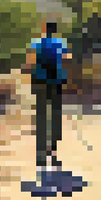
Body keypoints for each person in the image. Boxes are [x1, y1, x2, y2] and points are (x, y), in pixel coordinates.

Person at [25, 20, 71, 179]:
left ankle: (40, 154)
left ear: (44, 29)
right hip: (56, 81)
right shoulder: (60, 43)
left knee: (41, 115)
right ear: (56, 30)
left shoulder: (36, 43)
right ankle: (53, 149)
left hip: (40, 81)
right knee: (56, 114)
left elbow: (29, 62)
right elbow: (67, 59)